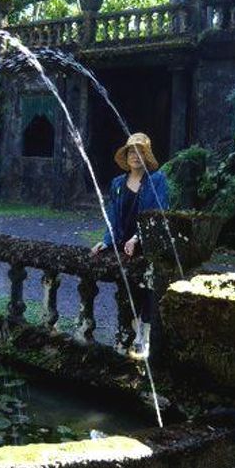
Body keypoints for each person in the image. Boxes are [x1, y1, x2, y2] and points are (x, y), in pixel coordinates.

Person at [90, 132, 169, 356]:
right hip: (125, 249)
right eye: (131, 152)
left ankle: (145, 339)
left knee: (147, 293)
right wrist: (105, 241)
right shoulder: (117, 183)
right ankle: (132, 336)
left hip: (147, 247)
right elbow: (113, 216)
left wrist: (137, 238)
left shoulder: (157, 180)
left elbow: (159, 213)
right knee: (129, 292)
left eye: (140, 152)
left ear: (147, 156)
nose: (135, 156)